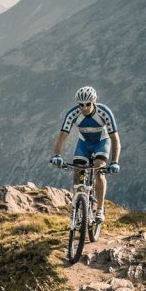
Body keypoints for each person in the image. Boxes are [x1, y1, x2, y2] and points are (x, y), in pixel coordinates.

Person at [50, 86, 122, 223]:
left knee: (99, 169)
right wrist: (57, 155)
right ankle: (77, 205)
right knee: (79, 172)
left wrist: (115, 162)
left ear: (93, 102)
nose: (84, 107)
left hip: (101, 142)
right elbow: (62, 137)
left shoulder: (104, 112)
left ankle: (99, 209)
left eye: (87, 104)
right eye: (81, 105)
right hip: (84, 144)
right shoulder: (72, 114)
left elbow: (115, 140)